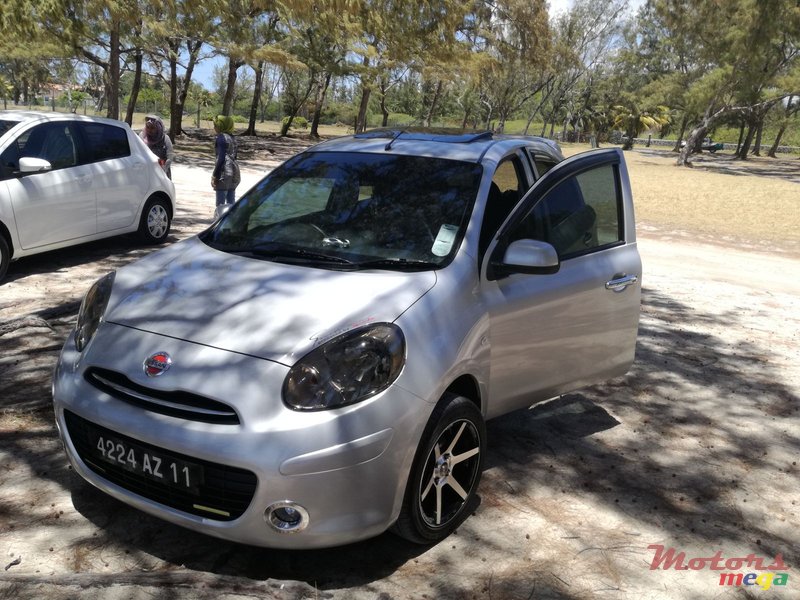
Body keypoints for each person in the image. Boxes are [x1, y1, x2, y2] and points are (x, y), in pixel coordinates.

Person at [211, 115, 241, 207]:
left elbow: (221, 159)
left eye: (215, 125)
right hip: (235, 173)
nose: (214, 127)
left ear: (220, 126)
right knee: (231, 205)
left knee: (220, 206)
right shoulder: (233, 138)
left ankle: (220, 221)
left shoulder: (221, 138)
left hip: (224, 174)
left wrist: (215, 176)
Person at [139, 115, 174, 179]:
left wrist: (164, 167)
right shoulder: (142, 137)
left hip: (162, 171)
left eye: (152, 128)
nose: (149, 130)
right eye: (148, 127)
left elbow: (170, 155)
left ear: (158, 128)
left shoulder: (165, 139)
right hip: (146, 171)